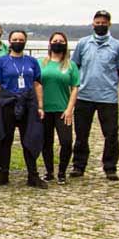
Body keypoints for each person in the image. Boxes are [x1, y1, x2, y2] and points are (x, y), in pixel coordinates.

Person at [71, 9, 119, 179]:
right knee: (81, 134)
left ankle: (110, 167)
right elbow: (75, 66)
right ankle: (79, 166)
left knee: (110, 134)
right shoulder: (83, 43)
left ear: (109, 24)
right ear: (93, 23)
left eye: (104, 22)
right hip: (84, 95)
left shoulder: (118, 46)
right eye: (98, 22)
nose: (100, 25)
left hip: (108, 97)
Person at [0, 29, 47, 188]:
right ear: (9, 41)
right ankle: (3, 173)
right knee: (5, 139)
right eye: (15, 39)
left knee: (29, 138)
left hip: (28, 103)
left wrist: (40, 106)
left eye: (21, 39)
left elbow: (37, 84)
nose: (18, 42)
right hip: (7, 102)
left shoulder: (32, 62)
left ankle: (33, 175)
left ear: (25, 41)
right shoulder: (1, 62)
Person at [38, 31, 80, 183]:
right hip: (44, 109)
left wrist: (70, 109)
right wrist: (39, 105)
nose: (58, 43)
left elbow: (75, 87)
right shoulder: (41, 63)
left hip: (62, 109)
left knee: (66, 142)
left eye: (61, 41)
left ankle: (62, 172)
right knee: (46, 142)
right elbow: (36, 84)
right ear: (49, 44)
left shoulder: (71, 65)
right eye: (55, 40)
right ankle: (49, 172)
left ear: (65, 44)